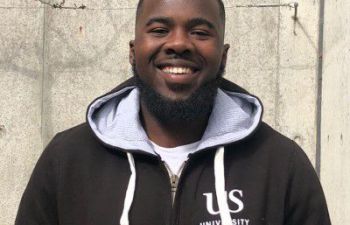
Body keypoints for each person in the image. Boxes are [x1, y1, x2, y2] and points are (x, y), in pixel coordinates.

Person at [15, 0, 331, 225]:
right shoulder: (67, 160)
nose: (179, 43)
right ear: (132, 51)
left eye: (200, 32)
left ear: (223, 56)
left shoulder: (280, 164)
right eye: (159, 29)